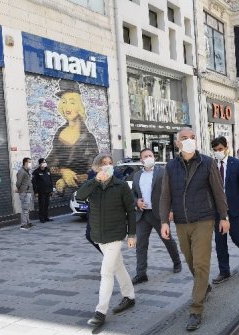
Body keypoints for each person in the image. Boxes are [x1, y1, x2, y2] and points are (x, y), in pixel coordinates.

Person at [160, 127, 229, 331]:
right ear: (177, 143)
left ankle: (196, 309)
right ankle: (204, 286)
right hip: (181, 221)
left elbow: (218, 191)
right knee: (190, 261)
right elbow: (165, 195)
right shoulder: (171, 166)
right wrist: (164, 220)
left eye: (192, 137)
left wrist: (223, 216)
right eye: (184, 138)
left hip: (203, 220)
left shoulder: (207, 162)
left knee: (200, 263)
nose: (189, 140)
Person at [76, 154, 137, 328]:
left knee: (106, 272)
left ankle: (100, 312)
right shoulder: (92, 184)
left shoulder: (121, 185)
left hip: (116, 234)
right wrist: (95, 180)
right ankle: (129, 296)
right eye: (104, 164)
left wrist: (132, 234)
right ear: (97, 167)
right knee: (118, 266)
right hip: (99, 234)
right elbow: (80, 196)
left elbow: (131, 211)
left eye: (110, 163)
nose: (108, 166)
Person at [132, 149, 182, 286]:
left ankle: (177, 262)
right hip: (142, 215)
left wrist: (171, 210)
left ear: (154, 157)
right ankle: (141, 273)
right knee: (141, 245)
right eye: (145, 156)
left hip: (159, 214)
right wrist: (137, 202)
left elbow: (172, 191)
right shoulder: (136, 176)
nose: (148, 158)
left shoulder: (163, 172)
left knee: (167, 239)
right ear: (141, 160)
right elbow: (133, 195)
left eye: (150, 156)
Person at [210, 137, 239, 284]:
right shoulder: (211, 165)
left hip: (234, 209)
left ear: (226, 148)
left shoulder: (237, 164)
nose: (218, 152)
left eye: (220, 149)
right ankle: (224, 271)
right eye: (215, 150)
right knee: (220, 241)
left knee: (237, 237)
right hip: (218, 211)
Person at [46, 81, 99, 194]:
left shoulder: (89, 139)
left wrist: (66, 180)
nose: (67, 107)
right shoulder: (60, 133)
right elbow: (48, 165)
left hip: (84, 193)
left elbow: (93, 173)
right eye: (64, 102)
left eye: (72, 102)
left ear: (79, 106)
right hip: (63, 195)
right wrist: (63, 171)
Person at [32, 158, 54, 223]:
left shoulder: (48, 170)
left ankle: (46, 217)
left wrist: (51, 190)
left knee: (47, 204)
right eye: (43, 162)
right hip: (41, 192)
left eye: (45, 162)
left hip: (48, 191)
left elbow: (50, 181)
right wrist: (35, 192)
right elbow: (34, 183)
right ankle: (41, 218)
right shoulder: (36, 172)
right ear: (40, 164)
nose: (44, 163)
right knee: (42, 205)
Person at [15, 157, 35, 230]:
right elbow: (18, 183)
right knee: (24, 209)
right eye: (29, 162)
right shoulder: (21, 171)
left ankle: (27, 222)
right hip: (24, 192)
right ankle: (23, 224)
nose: (30, 164)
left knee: (27, 209)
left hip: (28, 192)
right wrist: (20, 189)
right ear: (25, 163)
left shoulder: (27, 171)